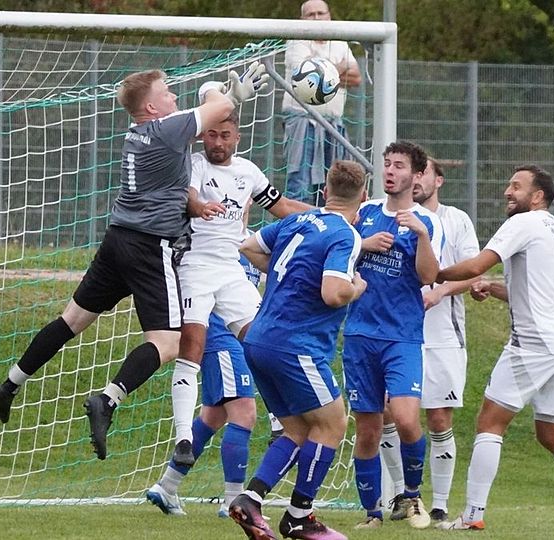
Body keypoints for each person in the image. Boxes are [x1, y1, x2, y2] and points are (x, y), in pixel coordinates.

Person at [0, 63, 267, 461]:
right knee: (168, 343)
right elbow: (218, 108)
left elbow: (208, 113)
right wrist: (226, 92)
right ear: (151, 108)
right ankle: (108, 399)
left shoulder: (138, 132)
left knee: (72, 320)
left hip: (117, 239)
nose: (173, 96)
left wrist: (222, 94)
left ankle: (9, 385)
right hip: (150, 247)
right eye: (166, 92)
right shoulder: (168, 130)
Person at [432, 165, 554, 533]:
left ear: (537, 197)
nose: (508, 191)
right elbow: (539, 292)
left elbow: (476, 265)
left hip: (536, 341)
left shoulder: (523, 222)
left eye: (517, 186)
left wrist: (434, 274)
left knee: (490, 422)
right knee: (552, 432)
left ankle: (472, 515)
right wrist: (492, 288)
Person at [228, 160, 367, 540]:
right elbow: (333, 293)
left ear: (325, 191)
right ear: (363, 198)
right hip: (296, 346)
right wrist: (357, 288)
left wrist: (291, 275)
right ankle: (299, 516)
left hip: (259, 339)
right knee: (333, 423)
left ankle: (250, 499)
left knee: (298, 429)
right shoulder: (345, 234)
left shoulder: (297, 221)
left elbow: (249, 247)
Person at [168, 110, 310, 468]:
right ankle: (183, 437)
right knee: (192, 345)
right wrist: (200, 207)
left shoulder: (249, 172)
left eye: (225, 136)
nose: (218, 142)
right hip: (194, 266)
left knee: (264, 340)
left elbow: (283, 207)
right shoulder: (195, 164)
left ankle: (280, 421)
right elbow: (189, 197)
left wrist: (329, 214)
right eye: (212, 135)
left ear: (237, 138)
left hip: (231, 271)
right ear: (203, 136)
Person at [344, 141, 442, 530]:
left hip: (402, 336)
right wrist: (362, 244)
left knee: (405, 418)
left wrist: (421, 237)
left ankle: (412, 495)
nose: (389, 171)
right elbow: (339, 256)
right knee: (367, 429)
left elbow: (428, 277)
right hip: (360, 334)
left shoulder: (426, 221)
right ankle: (371, 514)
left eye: (399, 165)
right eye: (386, 164)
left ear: (416, 176)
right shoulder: (365, 213)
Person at [380, 157, 481, 523]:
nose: (417, 179)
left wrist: (439, 292)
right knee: (388, 412)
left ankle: (439, 504)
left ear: (438, 180)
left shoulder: (456, 220)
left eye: (424, 173)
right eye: (415, 172)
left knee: (438, 418)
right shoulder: (388, 216)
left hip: (442, 337)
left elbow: (473, 272)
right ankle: (401, 496)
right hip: (396, 334)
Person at [146, 256, 262, 518]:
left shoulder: (253, 243)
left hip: (231, 338)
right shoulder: (212, 246)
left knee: (213, 416)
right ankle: (234, 502)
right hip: (221, 338)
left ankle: (167, 486)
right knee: (244, 413)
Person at [282, 0, 362, 205]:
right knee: (300, 184)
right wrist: (339, 68)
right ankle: (296, 223)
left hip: (333, 123)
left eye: (320, 13)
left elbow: (356, 78)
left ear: (329, 16)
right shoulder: (297, 41)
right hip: (302, 119)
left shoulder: (340, 43)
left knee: (333, 185)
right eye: (310, 14)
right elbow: (308, 76)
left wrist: (321, 69)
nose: (316, 18)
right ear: (301, 19)